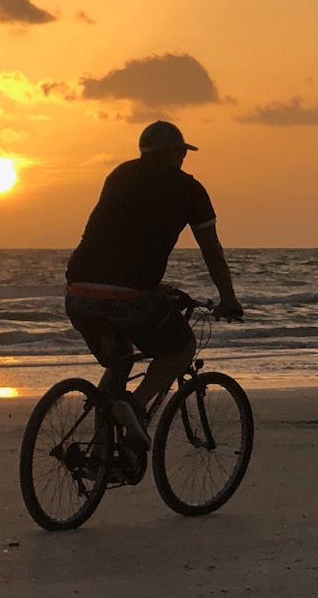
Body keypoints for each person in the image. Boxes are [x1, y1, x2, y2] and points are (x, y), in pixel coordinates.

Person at [64, 120, 243, 450]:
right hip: (126, 296)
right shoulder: (189, 189)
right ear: (174, 153)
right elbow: (212, 252)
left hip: (78, 292)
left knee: (121, 360)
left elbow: (119, 236)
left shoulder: (118, 175)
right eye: (182, 153)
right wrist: (228, 298)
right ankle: (135, 405)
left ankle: (101, 453)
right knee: (181, 347)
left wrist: (151, 286)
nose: (184, 159)